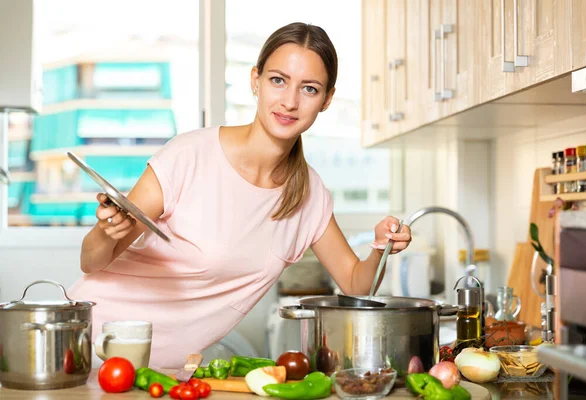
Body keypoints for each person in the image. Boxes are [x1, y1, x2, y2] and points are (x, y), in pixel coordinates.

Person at [69, 22, 412, 368]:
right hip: (89, 346)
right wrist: (104, 231)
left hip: (165, 374)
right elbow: (92, 261)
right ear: (255, 81)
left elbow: (356, 286)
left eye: (309, 89)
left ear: (326, 100)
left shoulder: (310, 196)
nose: (290, 102)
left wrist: (381, 247)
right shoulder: (189, 155)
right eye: (278, 80)